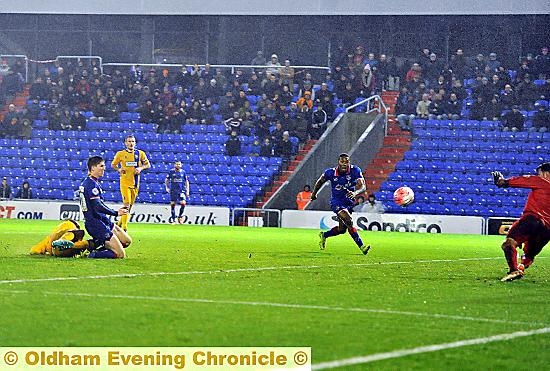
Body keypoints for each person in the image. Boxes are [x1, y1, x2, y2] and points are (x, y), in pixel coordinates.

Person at [491, 163, 550, 282]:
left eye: (539, 173)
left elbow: (519, 181)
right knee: (529, 254)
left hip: (532, 220)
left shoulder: (541, 181)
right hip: (547, 231)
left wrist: (502, 181)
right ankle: (521, 267)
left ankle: (514, 270)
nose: (537, 175)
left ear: (545, 173)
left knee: (509, 244)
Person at [310, 153, 370, 255]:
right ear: (338, 162)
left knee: (342, 229)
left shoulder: (355, 170)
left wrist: (355, 193)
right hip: (337, 201)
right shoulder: (330, 172)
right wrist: (314, 194)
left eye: (346, 162)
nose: (344, 164)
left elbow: (363, 186)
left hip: (349, 202)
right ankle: (362, 246)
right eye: (342, 162)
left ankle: (324, 235)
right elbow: (320, 181)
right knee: (348, 220)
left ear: (349, 162)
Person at [81, 156, 132, 259]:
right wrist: (115, 213)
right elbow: (97, 206)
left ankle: (96, 244)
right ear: (93, 168)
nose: (104, 168)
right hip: (95, 223)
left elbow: (99, 204)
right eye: (101, 166)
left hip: (102, 219)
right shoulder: (90, 184)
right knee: (120, 254)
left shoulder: (93, 182)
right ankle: (93, 254)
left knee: (126, 241)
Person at [111, 134, 151, 231]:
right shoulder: (120, 154)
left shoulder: (140, 153)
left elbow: (148, 164)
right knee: (127, 204)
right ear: (125, 143)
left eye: (132, 141)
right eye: (129, 141)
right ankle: (124, 228)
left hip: (135, 183)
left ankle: (119, 224)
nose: (131, 143)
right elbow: (113, 164)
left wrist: (140, 168)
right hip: (125, 182)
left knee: (130, 206)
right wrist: (119, 169)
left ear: (135, 143)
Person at [165, 160, 190, 224]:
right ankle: (173, 219)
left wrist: (187, 190)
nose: (178, 165)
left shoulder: (183, 172)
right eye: (177, 164)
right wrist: (167, 187)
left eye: (179, 164)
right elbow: (167, 180)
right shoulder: (171, 172)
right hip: (173, 191)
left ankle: (180, 217)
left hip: (181, 191)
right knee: (173, 204)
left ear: (181, 165)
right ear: (174, 165)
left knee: (183, 203)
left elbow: (186, 181)